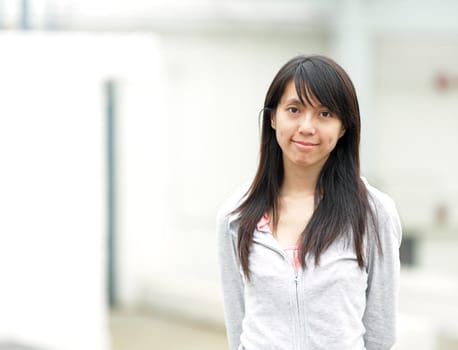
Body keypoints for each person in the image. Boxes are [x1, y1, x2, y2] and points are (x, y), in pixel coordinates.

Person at [216, 55, 402, 350]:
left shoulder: (375, 213)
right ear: (273, 117)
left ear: (344, 127)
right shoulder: (236, 216)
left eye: (325, 113)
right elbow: (238, 329)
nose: (306, 126)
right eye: (294, 109)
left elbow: (381, 335)